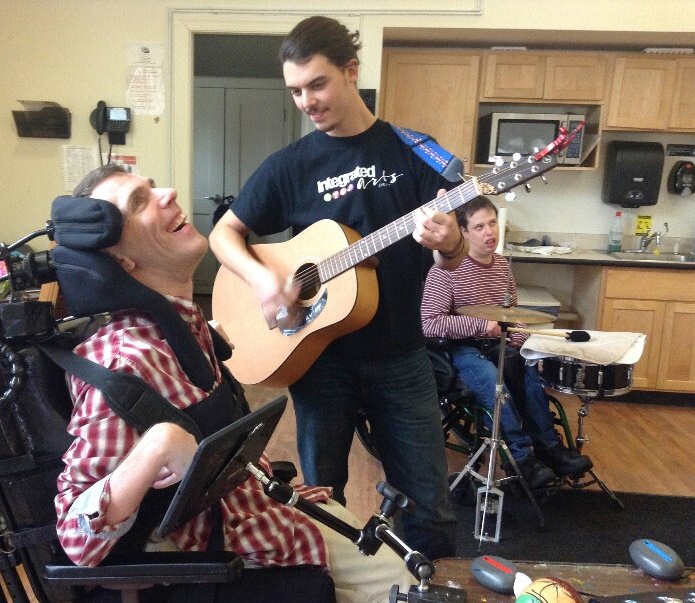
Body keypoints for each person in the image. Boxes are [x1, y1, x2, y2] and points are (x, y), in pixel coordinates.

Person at [54, 164, 416, 603]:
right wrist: (158, 445)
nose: (167, 193)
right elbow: (76, 541)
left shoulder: (185, 328)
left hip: (264, 507)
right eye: (138, 203)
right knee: (406, 591)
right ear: (122, 261)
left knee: (406, 577)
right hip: (232, 557)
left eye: (151, 186)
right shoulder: (125, 361)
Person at [209, 16, 464, 559]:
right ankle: (338, 584)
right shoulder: (290, 166)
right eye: (296, 90)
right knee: (323, 495)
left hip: (400, 355)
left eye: (317, 84)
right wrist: (265, 279)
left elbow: (456, 250)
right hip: (316, 356)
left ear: (351, 72)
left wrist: (449, 241)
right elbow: (224, 233)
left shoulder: (415, 152)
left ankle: (428, 586)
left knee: (430, 501)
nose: (307, 101)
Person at [420, 196, 592, 489]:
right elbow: (429, 323)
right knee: (490, 379)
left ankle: (550, 449)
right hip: (459, 348)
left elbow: (513, 313)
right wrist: (481, 326)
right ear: (462, 232)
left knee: (528, 369)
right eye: (479, 227)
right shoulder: (443, 271)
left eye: (492, 223)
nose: (489, 232)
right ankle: (522, 459)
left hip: (497, 342)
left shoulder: (501, 265)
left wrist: (521, 337)